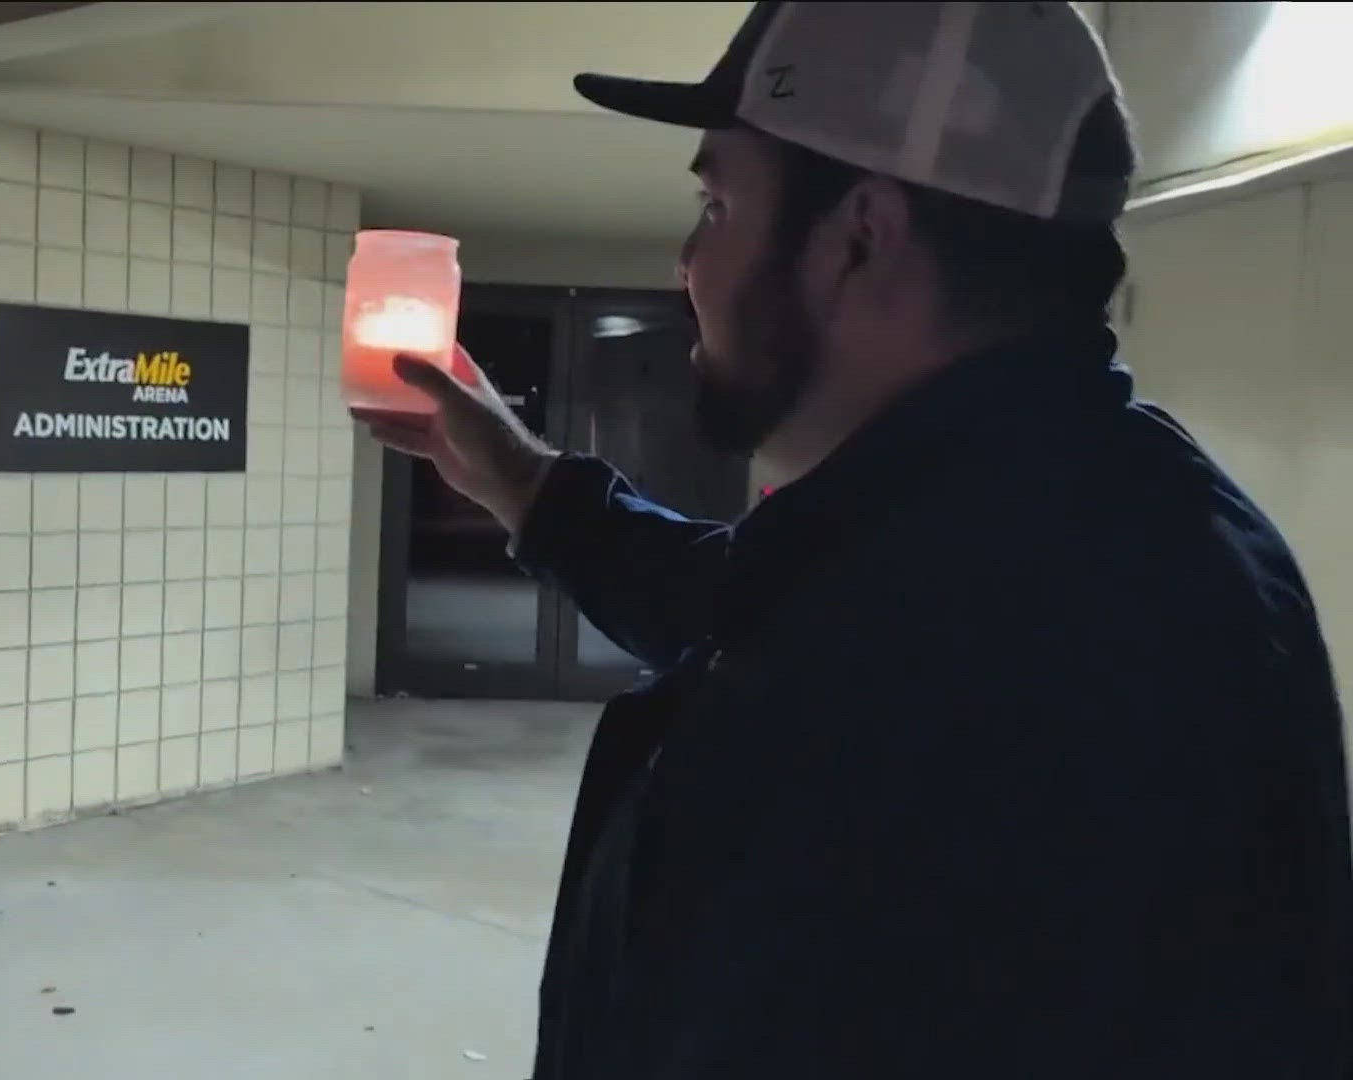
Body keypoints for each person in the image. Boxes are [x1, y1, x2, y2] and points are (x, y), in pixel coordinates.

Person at [354, 2, 1353, 1077]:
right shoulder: (1026, 517)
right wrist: (520, 481)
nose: (690, 260)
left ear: (859, 239)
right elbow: (740, 606)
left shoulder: (1066, 656)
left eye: (718, 205)